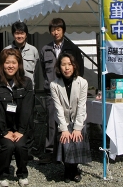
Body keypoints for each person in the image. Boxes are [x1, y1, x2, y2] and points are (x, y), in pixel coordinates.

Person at [39, 18, 84, 164]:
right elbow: (43, 70)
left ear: (63, 30)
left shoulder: (72, 48)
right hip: (51, 90)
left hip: (69, 91)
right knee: (51, 122)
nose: (55, 32)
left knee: (69, 121)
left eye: (58, 29)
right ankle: (51, 151)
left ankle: (68, 151)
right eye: (53, 29)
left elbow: (79, 69)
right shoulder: (45, 49)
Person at [0, 48, 34, 187]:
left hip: (22, 126)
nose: (10, 66)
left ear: (19, 64)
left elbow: (27, 109)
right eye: (7, 62)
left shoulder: (26, 82)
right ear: (2, 64)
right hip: (2, 126)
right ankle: (2, 175)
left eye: (14, 62)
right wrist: (4, 132)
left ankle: (22, 173)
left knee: (21, 146)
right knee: (8, 146)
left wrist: (20, 130)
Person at [50, 52, 91, 183]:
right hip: (64, 120)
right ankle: (68, 170)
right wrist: (64, 129)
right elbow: (58, 108)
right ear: (59, 67)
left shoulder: (82, 82)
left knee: (77, 140)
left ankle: (74, 170)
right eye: (63, 64)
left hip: (78, 119)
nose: (67, 68)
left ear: (74, 66)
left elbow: (81, 106)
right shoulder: (54, 84)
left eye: (69, 64)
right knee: (66, 142)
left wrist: (78, 127)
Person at [4, 21, 39, 159]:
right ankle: (12, 149)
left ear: (26, 34)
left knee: (28, 121)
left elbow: (36, 70)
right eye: (17, 33)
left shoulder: (33, 50)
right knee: (11, 120)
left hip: (28, 93)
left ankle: (27, 150)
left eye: (22, 33)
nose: (19, 36)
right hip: (11, 92)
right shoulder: (6, 50)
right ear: (13, 34)